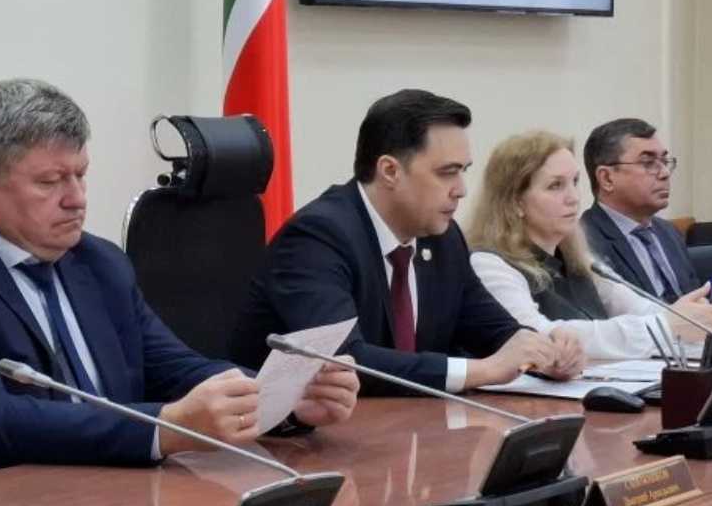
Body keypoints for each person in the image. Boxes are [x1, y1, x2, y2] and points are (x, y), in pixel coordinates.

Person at [0, 79, 357, 474]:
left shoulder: (98, 263)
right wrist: (163, 429)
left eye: (80, 175)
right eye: (50, 181)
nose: (77, 198)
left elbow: (175, 368)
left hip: (113, 502)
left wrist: (283, 399)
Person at [229, 89, 583, 394]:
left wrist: (540, 351)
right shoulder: (317, 237)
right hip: (283, 439)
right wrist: (483, 370)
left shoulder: (442, 238)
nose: (461, 190)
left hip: (407, 430)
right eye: (447, 173)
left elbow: (489, 327)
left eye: (463, 171)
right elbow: (345, 361)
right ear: (390, 171)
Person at [467, 131, 712, 363]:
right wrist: (664, 327)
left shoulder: (579, 259)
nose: (573, 198)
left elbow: (641, 308)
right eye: (555, 186)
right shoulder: (489, 264)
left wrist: (700, 318)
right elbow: (535, 335)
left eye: (575, 182)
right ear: (515, 201)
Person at [580, 118, 701, 299]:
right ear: (606, 178)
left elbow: (694, 297)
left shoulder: (669, 232)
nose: (665, 173)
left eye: (664, 161)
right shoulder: (583, 244)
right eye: (648, 163)